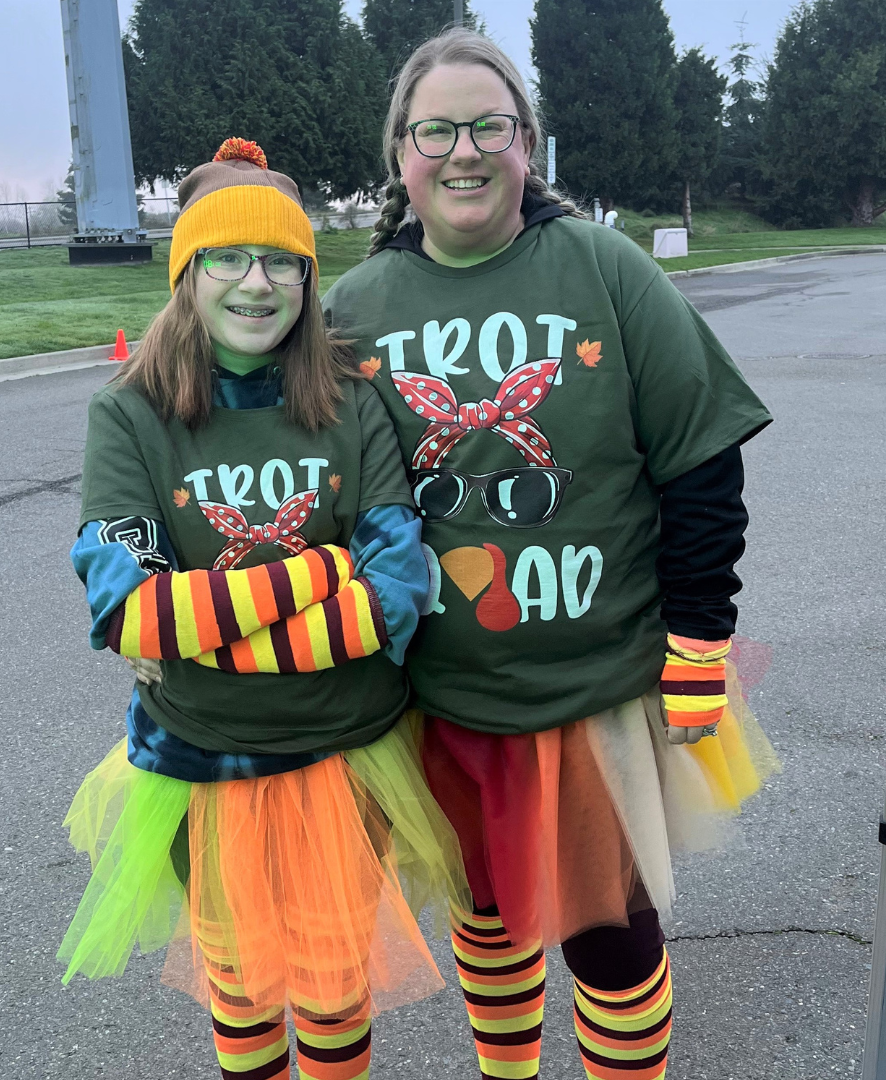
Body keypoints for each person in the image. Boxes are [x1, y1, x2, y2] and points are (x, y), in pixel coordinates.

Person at [323, 29, 779, 1080]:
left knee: (610, 941)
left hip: (593, 692)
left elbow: (701, 460)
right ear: (402, 154)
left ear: (528, 144)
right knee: (487, 921)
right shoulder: (356, 311)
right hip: (435, 700)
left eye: (490, 125)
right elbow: (306, 483)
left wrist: (700, 634)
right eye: (436, 129)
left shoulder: (602, 267)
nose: (464, 151)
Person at [58, 138, 467, 1080]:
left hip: (345, 751)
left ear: (308, 276)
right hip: (200, 759)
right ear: (186, 276)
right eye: (228, 259)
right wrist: (323, 575)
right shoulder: (129, 413)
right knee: (239, 994)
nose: (257, 282)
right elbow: (129, 612)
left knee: (333, 992)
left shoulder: (348, 400)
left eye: (281, 259)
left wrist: (206, 625)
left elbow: (400, 593)